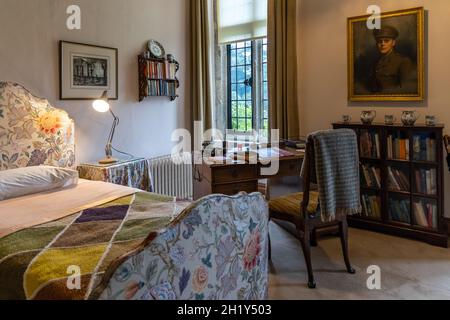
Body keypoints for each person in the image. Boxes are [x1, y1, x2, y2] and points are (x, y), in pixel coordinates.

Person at [368, 25, 417, 94]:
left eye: (386, 41)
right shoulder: (376, 62)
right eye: (380, 41)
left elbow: (405, 89)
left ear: (393, 43)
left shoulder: (403, 61)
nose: (382, 44)